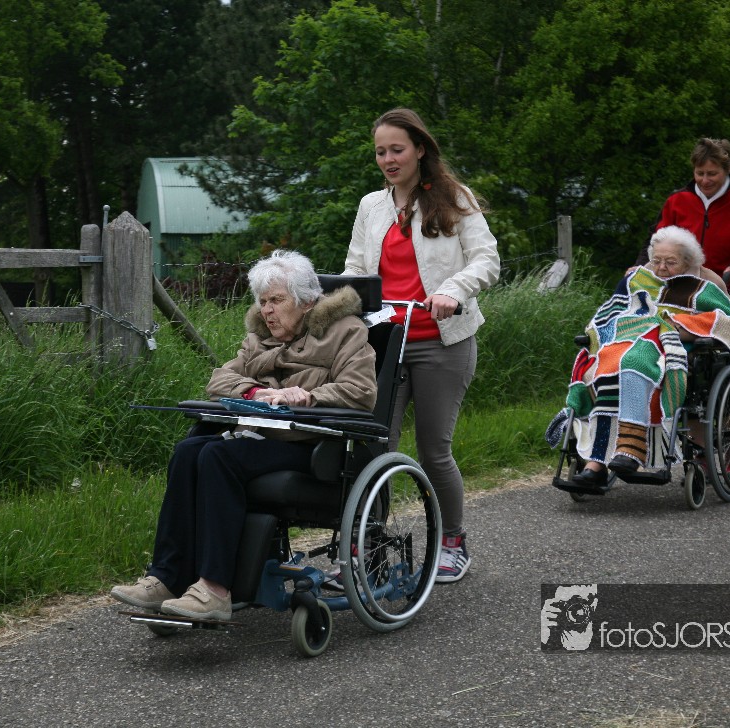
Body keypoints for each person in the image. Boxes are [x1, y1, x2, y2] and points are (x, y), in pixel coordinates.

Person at [111, 250, 377, 621]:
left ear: (306, 301)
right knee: (188, 451)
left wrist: (309, 396)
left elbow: (361, 391)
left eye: (276, 300)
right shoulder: (260, 338)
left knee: (217, 457)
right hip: (259, 438)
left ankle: (215, 589)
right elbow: (219, 380)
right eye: (263, 302)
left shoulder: (345, 331)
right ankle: (168, 577)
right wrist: (253, 392)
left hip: (313, 445)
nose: (267, 311)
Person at [342, 108, 500, 583]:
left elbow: (486, 260)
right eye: (380, 152)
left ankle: (453, 540)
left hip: (440, 343)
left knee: (434, 450)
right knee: (373, 449)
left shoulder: (453, 198)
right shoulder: (371, 206)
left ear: (420, 149)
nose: (388, 159)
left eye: (397, 149)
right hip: (384, 343)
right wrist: (337, 303)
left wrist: (453, 290)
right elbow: (356, 268)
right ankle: (368, 547)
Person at [567, 226, 730, 490]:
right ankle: (596, 463)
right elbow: (612, 311)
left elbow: (727, 321)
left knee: (634, 364)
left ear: (688, 261)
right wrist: (604, 331)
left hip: (672, 349)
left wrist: (681, 325)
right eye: (657, 260)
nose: (661, 267)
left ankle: (630, 449)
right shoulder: (637, 278)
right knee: (601, 369)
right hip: (626, 341)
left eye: (670, 262)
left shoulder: (704, 286)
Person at [636, 137, 730, 346]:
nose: (705, 180)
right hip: (675, 299)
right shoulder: (677, 201)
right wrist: (638, 267)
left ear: (728, 170)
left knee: (720, 359)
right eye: (699, 173)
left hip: (727, 299)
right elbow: (653, 242)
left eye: (712, 174)